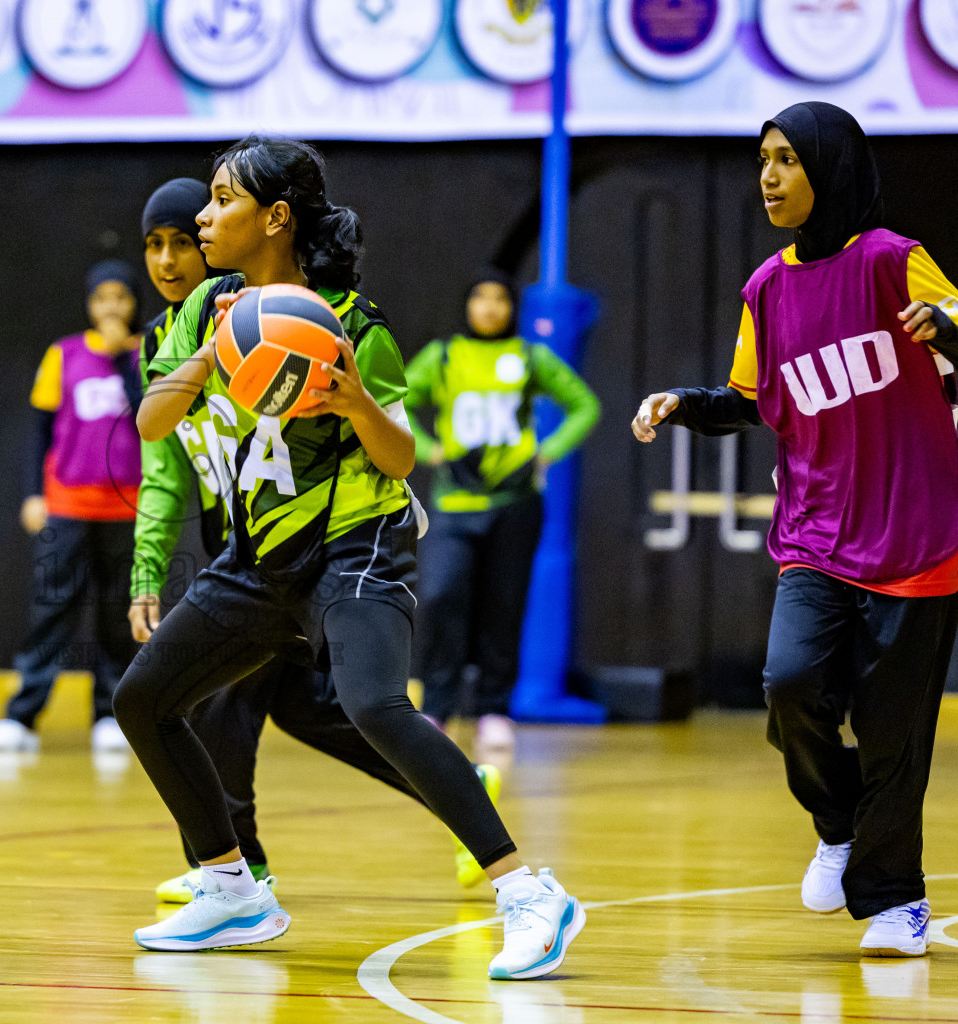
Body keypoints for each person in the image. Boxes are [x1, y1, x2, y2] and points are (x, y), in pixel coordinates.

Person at [117, 135, 583, 979]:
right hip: (260, 555)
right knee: (144, 698)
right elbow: (152, 423)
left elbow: (401, 458)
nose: (206, 216)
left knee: (372, 704)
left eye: (223, 200)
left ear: (276, 217)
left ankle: (530, 892)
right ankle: (231, 886)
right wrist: (209, 354)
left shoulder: (353, 326)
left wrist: (359, 400)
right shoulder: (204, 307)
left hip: (357, 543)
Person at [632, 101, 958, 958]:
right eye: (762, 159)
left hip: (917, 536)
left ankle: (894, 902)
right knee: (788, 682)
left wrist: (948, 328)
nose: (768, 176)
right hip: (815, 533)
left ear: (831, 167)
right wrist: (682, 404)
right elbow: (748, 398)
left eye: (787, 159)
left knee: (895, 732)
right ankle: (838, 822)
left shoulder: (894, 261)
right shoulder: (767, 288)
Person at [131, 177, 502, 903]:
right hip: (244, 547)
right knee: (313, 711)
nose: (173, 257)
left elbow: (393, 453)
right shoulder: (175, 340)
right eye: (157, 244)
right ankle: (449, 785)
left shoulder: (311, 321)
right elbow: (161, 465)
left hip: (326, 545)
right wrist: (149, 571)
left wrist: (355, 400)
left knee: (235, 708)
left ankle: (242, 872)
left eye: (186, 237)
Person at [405, 270, 600, 755]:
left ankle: (494, 709)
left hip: (515, 505)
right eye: (480, 298)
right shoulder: (444, 356)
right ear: (467, 305)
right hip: (454, 504)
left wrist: (547, 452)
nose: (490, 308)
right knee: (442, 596)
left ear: (512, 307)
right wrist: (428, 450)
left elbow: (584, 406)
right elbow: (395, 400)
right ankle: (437, 707)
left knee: (503, 607)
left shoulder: (529, 357)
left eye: (499, 299)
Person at [0, 261, 143, 755]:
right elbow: (40, 431)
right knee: (52, 608)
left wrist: (120, 361)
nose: (110, 307)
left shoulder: (150, 354)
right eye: (101, 298)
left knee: (119, 614)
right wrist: (35, 494)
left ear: (135, 303)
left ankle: (109, 715)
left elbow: (149, 419)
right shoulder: (63, 354)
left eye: (121, 297)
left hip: (128, 506)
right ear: (89, 304)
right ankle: (23, 716)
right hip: (69, 504)